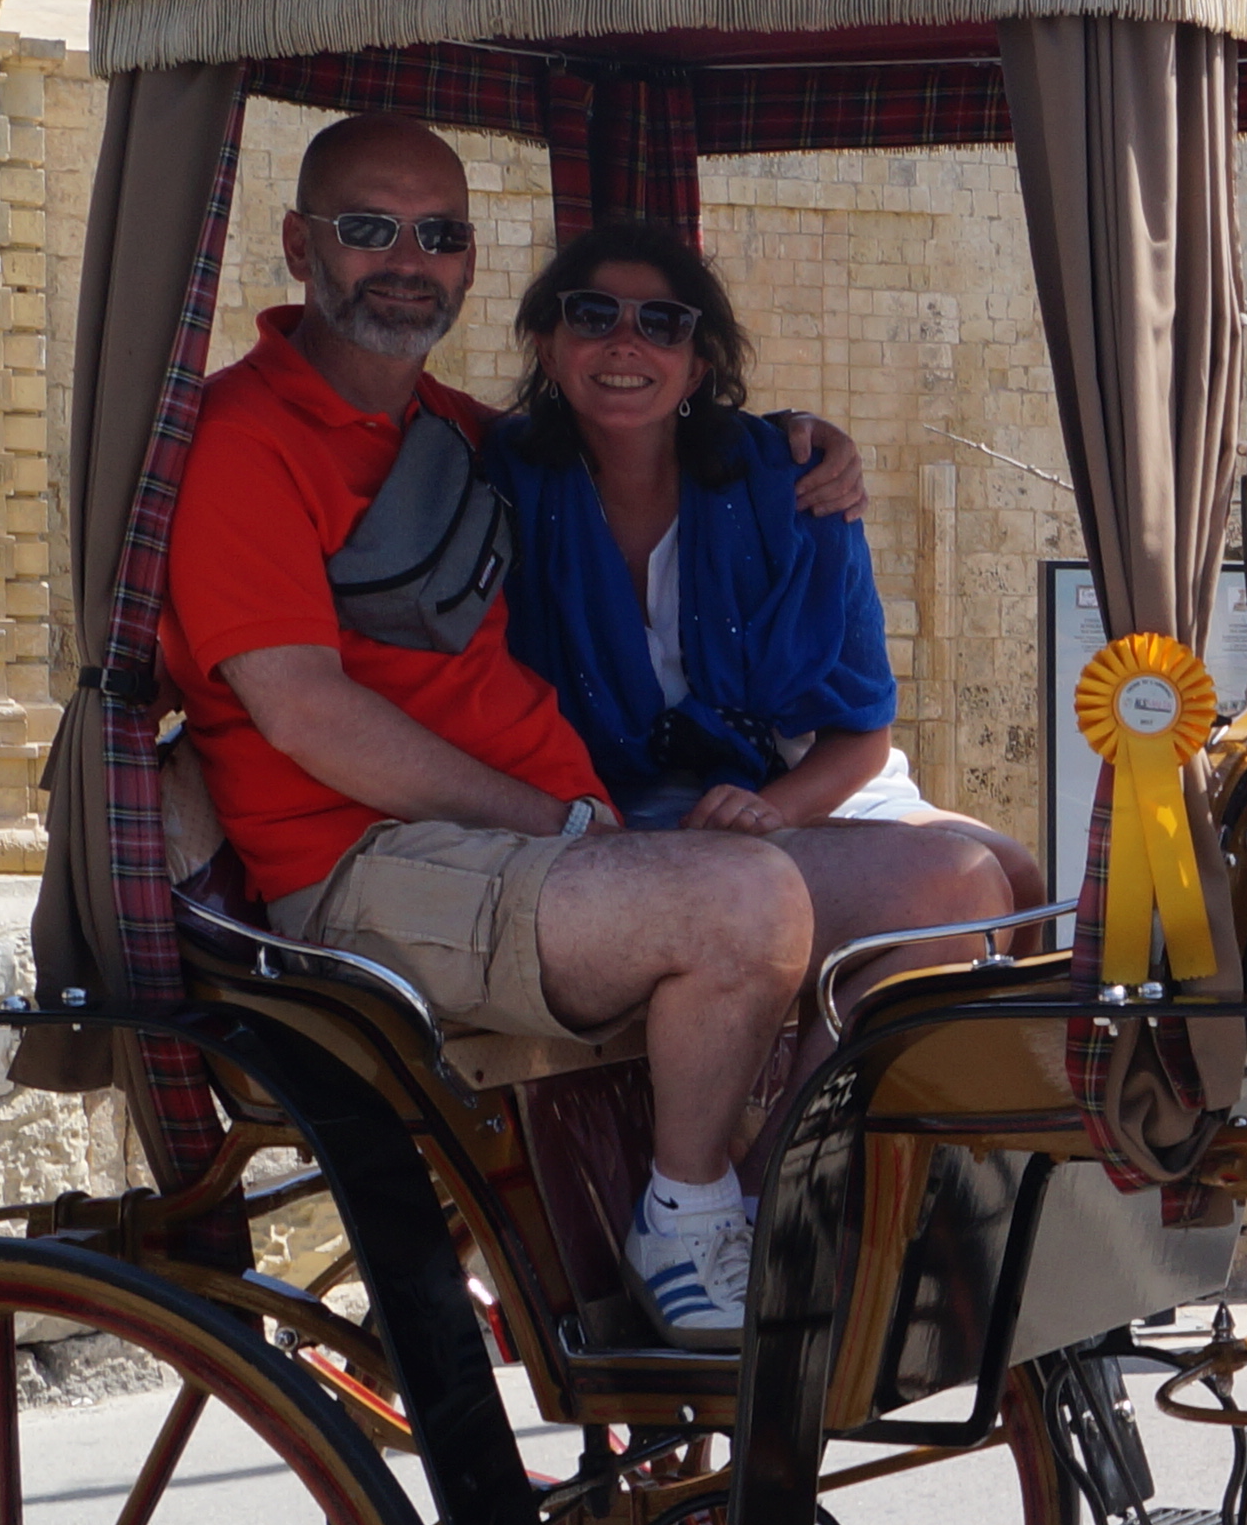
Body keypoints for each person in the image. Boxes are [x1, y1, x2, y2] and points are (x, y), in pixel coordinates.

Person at [159, 113, 876, 1345]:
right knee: (740, 906)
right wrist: (559, 821)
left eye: (438, 236)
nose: (406, 260)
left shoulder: (452, 431)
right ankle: (688, 1214)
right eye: (369, 229)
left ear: (470, 264)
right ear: (297, 244)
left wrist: (796, 450)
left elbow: (624, 426)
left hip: (531, 849)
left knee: (964, 898)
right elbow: (305, 710)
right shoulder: (243, 441)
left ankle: (811, 1194)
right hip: (372, 868)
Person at [485, 219, 1046, 970]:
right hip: (612, 791)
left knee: (1020, 880)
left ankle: (857, 1074)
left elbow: (859, 732)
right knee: (957, 885)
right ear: (549, 349)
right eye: (592, 315)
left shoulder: (795, 486)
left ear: (697, 365)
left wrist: (770, 812)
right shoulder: (499, 484)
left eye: (662, 323)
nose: (626, 341)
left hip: (802, 779)